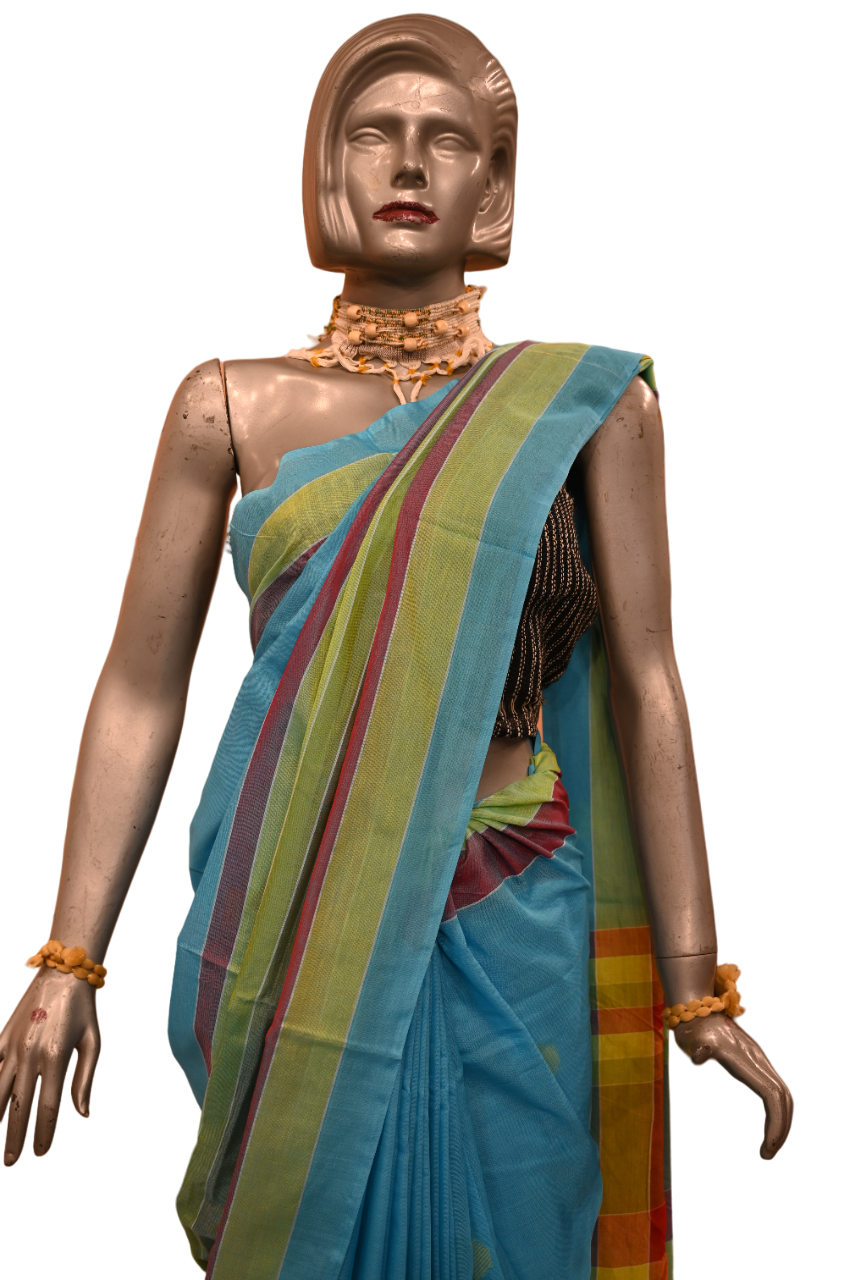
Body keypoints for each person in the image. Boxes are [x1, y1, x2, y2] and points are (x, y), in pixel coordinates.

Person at [0, 15, 791, 1279]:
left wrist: (694, 977)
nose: (410, 163)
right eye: (373, 134)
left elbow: (647, 684)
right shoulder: (226, 405)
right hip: (293, 908)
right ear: (327, 169)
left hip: (512, 902)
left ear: (494, 184)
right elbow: (140, 685)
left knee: (521, 1231)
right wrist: (66, 955)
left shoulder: (586, 410)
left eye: (447, 140)